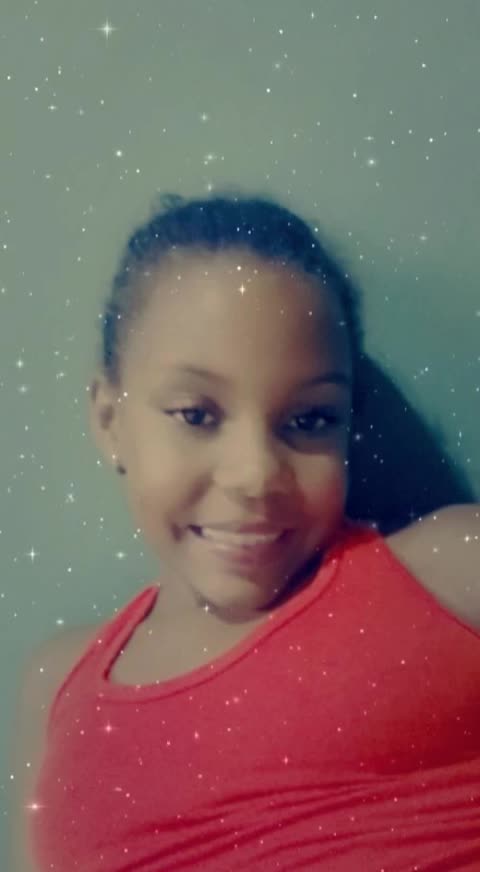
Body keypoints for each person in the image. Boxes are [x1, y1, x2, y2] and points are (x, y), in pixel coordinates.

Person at [13, 191, 480, 870]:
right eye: (197, 415)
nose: (257, 474)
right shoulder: (57, 687)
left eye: (311, 420)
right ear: (110, 421)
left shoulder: (447, 571)